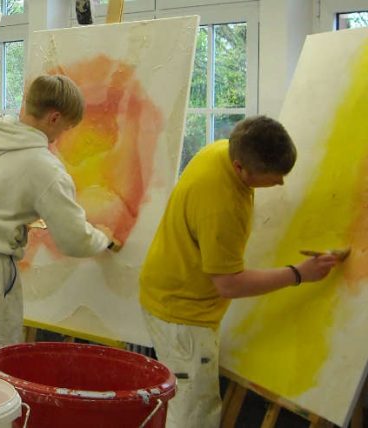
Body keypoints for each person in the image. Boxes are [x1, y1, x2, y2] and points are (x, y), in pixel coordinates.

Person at [139, 116, 339, 428]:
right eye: (272, 178)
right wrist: (298, 273)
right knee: (194, 414)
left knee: (184, 402)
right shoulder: (221, 207)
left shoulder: (220, 150)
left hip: (166, 289)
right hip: (182, 315)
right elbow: (229, 285)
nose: (280, 183)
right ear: (239, 168)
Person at [0, 74, 119, 368]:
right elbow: (73, 238)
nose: (62, 136)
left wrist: (3, 215)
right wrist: (102, 237)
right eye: (67, 127)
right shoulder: (43, 166)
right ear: (54, 117)